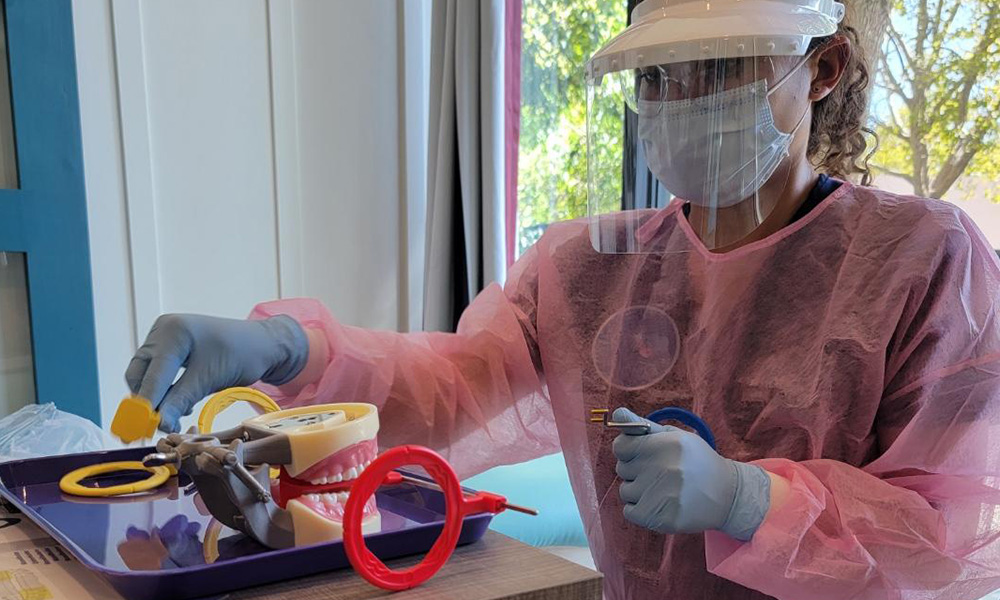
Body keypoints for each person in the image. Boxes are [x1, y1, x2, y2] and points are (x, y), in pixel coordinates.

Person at [125, 0, 1000, 597]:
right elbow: (455, 385)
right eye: (656, 76)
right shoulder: (587, 266)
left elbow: (942, 541)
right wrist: (294, 350)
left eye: (719, 66)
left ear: (824, 67)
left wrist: (748, 501)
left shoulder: (921, 262)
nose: (680, 100)